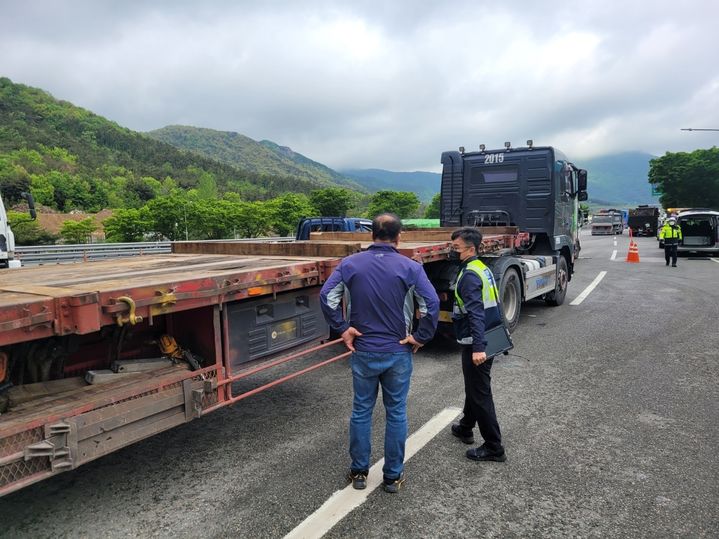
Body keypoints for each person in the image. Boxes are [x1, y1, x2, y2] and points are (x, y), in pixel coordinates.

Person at [320, 213, 439, 493]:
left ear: (371, 234)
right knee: (396, 413)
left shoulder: (349, 264)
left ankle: (359, 472)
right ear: (399, 238)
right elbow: (431, 304)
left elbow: (327, 296)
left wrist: (342, 328)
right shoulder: (411, 267)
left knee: (361, 410)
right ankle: (392, 477)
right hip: (398, 350)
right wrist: (420, 336)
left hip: (363, 349)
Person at [448, 227, 507, 462]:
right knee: (475, 386)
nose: (452, 252)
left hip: (477, 340)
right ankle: (465, 426)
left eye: (456, 248)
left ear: (471, 248)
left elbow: (475, 313)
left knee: (480, 392)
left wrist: (478, 348)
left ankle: (494, 447)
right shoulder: (482, 268)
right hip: (489, 335)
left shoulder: (470, 276)